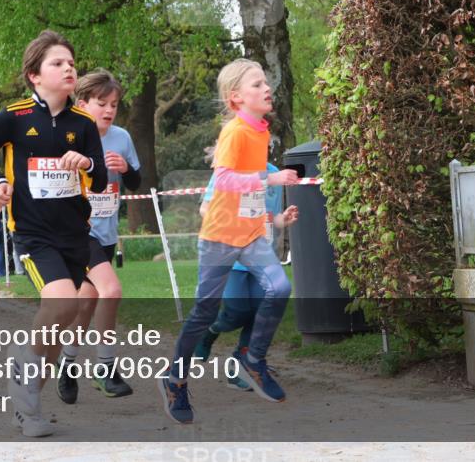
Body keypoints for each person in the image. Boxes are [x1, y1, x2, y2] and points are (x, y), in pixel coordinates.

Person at [0, 30, 106, 437]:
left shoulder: (83, 123)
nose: (69, 68)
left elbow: (99, 181)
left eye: (71, 63)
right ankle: (21, 367)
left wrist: (85, 163)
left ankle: (27, 406)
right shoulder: (14, 116)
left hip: (74, 234)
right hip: (32, 233)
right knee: (63, 302)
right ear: (35, 76)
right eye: (58, 63)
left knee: (64, 317)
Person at [158, 59, 298, 424]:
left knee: (280, 287)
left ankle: (252, 360)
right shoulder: (235, 132)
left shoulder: (261, 130)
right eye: (256, 84)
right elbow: (225, 181)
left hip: (250, 235)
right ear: (236, 98)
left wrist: (271, 209)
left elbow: (249, 192)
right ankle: (175, 379)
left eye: (266, 82)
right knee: (205, 313)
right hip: (220, 237)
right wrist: (269, 180)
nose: (266, 88)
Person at [57, 69, 141, 403]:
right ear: (82, 104)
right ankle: (105, 368)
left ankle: (66, 364)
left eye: (114, 104)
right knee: (112, 290)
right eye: (101, 103)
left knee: (87, 302)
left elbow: (136, 183)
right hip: (78, 232)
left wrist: (126, 169)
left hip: (106, 234)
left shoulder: (121, 137)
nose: (109, 110)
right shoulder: (67, 136)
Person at [193, 158, 299, 390]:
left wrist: (284, 220)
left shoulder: (274, 175)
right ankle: (209, 333)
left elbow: (270, 217)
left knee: (262, 311)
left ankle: (238, 367)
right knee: (237, 311)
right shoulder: (229, 169)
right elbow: (205, 208)